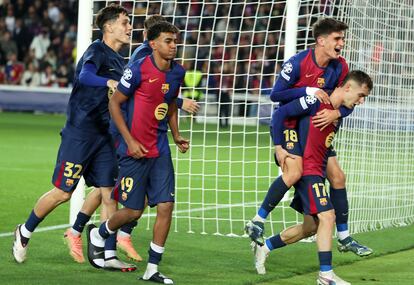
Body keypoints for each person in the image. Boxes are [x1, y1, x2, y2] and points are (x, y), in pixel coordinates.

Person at [13, 4, 136, 271]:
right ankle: (25, 230)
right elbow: (85, 75)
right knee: (63, 193)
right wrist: (108, 83)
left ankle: (107, 252)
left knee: (109, 193)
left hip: (104, 135)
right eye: (125, 22)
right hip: (80, 133)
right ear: (108, 26)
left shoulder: (120, 61)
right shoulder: (96, 51)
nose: (129, 27)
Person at [245, 17, 373, 257]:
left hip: (315, 124)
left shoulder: (340, 67)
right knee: (294, 172)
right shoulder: (297, 63)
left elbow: (347, 98)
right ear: (321, 40)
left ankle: (344, 238)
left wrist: (337, 112)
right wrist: (308, 91)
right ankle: (257, 220)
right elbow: (276, 96)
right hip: (290, 123)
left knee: (338, 177)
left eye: (343, 38)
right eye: (337, 38)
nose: (342, 43)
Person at [86, 21, 188, 284]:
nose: (173, 45)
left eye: (175, 41)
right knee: (132, 211)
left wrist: (176, 135)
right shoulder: (138, 69)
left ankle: (153, 269)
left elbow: (172, 103)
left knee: (166, 206)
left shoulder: (178, 72)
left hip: (160, 148)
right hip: (134, 151)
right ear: (152, 44)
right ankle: (99, 234)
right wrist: (129, 141)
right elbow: (115, 103)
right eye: (168, 41)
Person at [253, 70, 373, 285]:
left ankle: (265, 247)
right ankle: (325, 275)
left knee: (311, 226)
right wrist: (279, 147)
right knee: (328, 216)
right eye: (361, 95)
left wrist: (338, 113)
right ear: (348, 88)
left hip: (317, 172)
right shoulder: (316, 101)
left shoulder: (339, 112)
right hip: (307, 172)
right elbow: (280, 113)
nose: (361, 101)